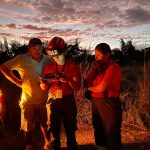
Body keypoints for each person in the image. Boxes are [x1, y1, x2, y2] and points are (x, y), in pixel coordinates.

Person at [0, 38, 52, 150]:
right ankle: (29, 146)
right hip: (27, 99)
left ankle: (48, 143)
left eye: (39, 48)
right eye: (34, 48)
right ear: (29, 49)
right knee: (28, 126)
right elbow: (4, 68)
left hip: (45, 99)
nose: (37, 50)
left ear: (42, 47)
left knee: (46, 124)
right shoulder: (21, 59)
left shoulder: (48, 60)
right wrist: (17, 82)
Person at [40, 36, 81, 150]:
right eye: (52, 55)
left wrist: (67, 79)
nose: (56, 57)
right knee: (53, 128)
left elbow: (77, 87)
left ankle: (72, 144)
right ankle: (55, 145)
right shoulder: (49, 67)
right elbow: (43, 88)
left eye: (58, 54)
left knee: (70, 127)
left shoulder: (73, 67)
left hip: (68, 99)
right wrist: (43, 82)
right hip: (53, 100)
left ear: (64, 51)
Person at [84, 43, 122, 150]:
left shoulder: (113, 68)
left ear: (107, 54)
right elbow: (86, 82)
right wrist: (93, 69)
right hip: (96, 101)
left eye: (99, 55)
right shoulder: (98, 67)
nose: (96, 58)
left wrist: (90, 88)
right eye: (95, 55)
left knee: (111, 131)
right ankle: (101, 147)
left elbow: (101, 88)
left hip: (109, 102)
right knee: (98, 127)